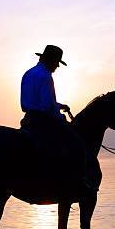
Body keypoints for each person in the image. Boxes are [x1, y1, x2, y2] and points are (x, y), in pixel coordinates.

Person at [20, 45, 92, 195]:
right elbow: (46, 106)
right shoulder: (46, 76)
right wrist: (61, 117)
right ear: (50, 60)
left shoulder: (28, 73)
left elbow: (34, 102)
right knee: (78, 144)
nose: (57, 66)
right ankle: (78, 182)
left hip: (29, 119)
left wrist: (59, 105)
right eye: (56, 63)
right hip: (44, 121)